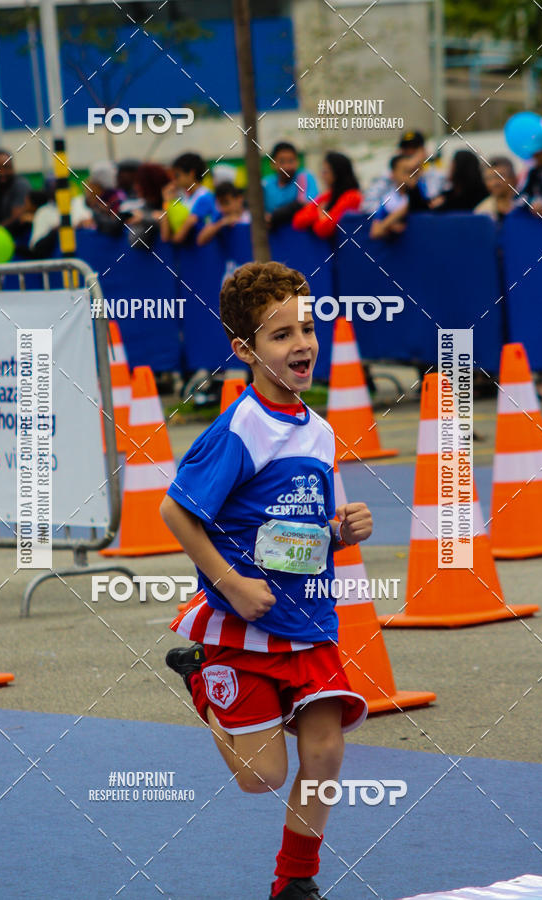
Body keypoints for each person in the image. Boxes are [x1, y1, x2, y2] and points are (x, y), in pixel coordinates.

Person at [162, 260, 372, 900]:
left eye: (306, 328)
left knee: (326, 752)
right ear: (245, 350)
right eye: (281, 335)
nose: (302, 343)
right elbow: (175, 511)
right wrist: (231, 583)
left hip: (308, 620)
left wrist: (342, 531)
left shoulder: (320, 431)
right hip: (243, 626)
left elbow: (299, 530)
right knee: (262, 778)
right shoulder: (239, 429)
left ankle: (295, 881)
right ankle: (202, 680)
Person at [362, 129, 444, 214]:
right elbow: (367, 205)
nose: (409, 152)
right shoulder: (389, 176)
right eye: (406, 149)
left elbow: (440, 204)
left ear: (424, 151)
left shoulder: (436, 176)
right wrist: (392, 213)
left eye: (414, 148)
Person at [292, 152, 361, 238]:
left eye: (325, 172)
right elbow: (297, 220)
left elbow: (322, 229)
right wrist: (320, 215)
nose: (322, 176)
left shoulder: (352, 197)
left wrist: (321, 217)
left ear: (337, 173)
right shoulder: (328, 196)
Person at [369, 153, 430, 239]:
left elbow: (415, 203)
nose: (411, 175)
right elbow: (375, 232)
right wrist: (390, 227)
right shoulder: (389, 200)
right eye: (406, 171)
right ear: (393, 174)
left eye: (413, 171)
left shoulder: (423, 189)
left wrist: (389, 222)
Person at [159, 152, 215, 244]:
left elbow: (178, 238)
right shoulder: (180, 198)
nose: (174, 180)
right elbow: (165, 236)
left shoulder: (205, 197)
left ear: (191, 173)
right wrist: (166, 201)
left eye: (177, 175)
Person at [262, 141, 318, 229]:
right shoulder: (265, 184)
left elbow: (305, 204)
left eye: (291, 161)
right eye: (282, 162)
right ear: (273, 163)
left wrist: (274, 217)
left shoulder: (304, 177)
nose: (287, 166)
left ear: (297, 162)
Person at [0, 149, 30, 235]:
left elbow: (17, 218)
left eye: (6, 167)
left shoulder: (21, 185)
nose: (1, 172)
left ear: (13, 167)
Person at [125, 162, 170, 249]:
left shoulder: (172, 202)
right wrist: (151, 219)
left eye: (139, 183)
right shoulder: (146, 206)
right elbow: (135, 240)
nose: (135, 187)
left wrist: (143, 219)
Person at [196, 181, 251, 246]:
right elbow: (200, 240)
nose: (222, 209)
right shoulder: (220, 218)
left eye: (226, 203)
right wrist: (222, 223)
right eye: (220, 204)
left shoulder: (251, 216)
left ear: (239, 199)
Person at [474, 156, 517, 222]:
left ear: (513, 178)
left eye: (500, 177)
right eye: (489, 178)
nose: (494, 183)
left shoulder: (527, 206)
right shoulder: (482, 211)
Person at [517, 144, 542, 217]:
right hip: (534, 211)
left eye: (539, 154)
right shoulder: (533, 172)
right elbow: (523, 193)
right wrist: (532, 202)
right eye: (534, 155)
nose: (536, 157)